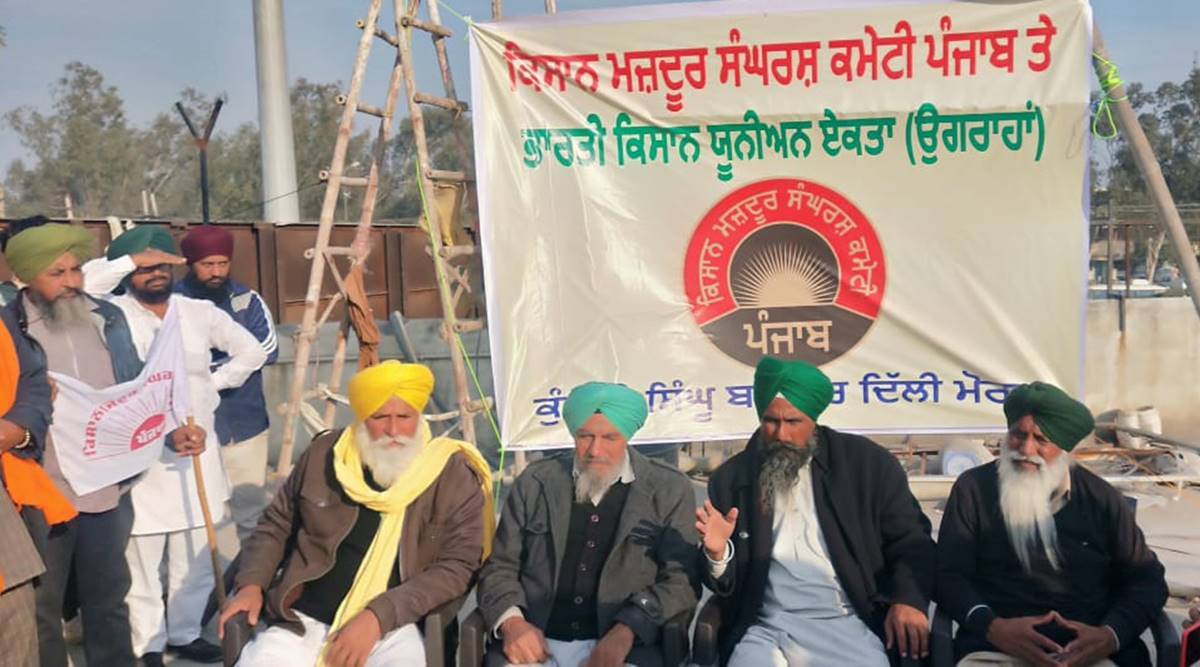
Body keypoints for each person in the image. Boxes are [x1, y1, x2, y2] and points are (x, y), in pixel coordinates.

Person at [4, 222, 204, 666]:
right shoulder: (9, 328)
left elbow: (134, 392)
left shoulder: (106, 318)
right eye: (57, 273)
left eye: (75, 269)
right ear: (26, 277)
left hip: (105, 490)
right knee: (43, 606)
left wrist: (169, 430)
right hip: (42, 489)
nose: (72, 282)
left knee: (109, 598)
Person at [220, 361, 493, 666]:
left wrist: (378, 616)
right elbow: (276, 526)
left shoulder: (450, 472)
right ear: (362, 417)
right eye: (380, 417)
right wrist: (252, 584)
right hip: (303, 621)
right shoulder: (326, 454)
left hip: (397, 626)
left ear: (418, 416)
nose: (393, 430)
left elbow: (458, 565)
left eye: (404, 417)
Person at [83, 225, 267, 665]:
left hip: (196, 450)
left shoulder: (197, 312)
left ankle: (184, 634)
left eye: (163, 266)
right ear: (129, 272)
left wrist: (210, 389)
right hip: (141, 455)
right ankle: (147, 643)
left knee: (196, 556)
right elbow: (86, 283)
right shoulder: (111, 313)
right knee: (142, 559)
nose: (155, 274)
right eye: (146, 268)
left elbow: (252, 352)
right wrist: (130, 260)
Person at [697, 356, 935, 666]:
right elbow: (722, 585)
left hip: (849, 623)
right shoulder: (732, 479)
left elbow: (912, 542)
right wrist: (717, 556)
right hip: (765, 627)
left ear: (813, 419)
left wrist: (908, 599)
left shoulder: (867, 465)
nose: (781, 435)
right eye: (771, 421)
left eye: (793, 422)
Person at [936, 382, 1169, 667]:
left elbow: (1147, 581)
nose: (1026, 449)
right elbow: (949, 576)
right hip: (996, 649)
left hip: (1090, 656)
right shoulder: (973, 490)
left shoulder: (1101, 499)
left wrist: (1109, 636)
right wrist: (992, 627)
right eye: (1018, 435)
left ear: (1064, 448)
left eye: (1041, 439)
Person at [477, 381, 699, 666]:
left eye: (610, 438)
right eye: (585, 436)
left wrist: (628, 629)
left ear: (627, 436)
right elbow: (499, 568)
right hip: (535, 642)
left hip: (625, 648)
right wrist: (512, 623)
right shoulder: (535, 483)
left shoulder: (669, 489)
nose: (595, 450)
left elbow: (680, 582)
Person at [176, 225, 278, 540]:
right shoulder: (173, 302)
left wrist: (211, 377)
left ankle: (252, 570)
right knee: (198, 515)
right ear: (191, 263)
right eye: (207, 265)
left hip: (244, 424)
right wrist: (232, 363)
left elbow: (267, 350)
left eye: (222, 263)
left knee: (251, 514)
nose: (216, 272)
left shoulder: (247, 300)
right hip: (191, 428)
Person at [0, 281, 65, 666]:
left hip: (7, 525)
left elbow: (34, 384)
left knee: (19, 636)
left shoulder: (3, 322)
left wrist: (16, 430)